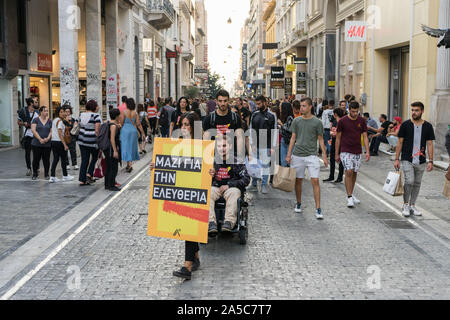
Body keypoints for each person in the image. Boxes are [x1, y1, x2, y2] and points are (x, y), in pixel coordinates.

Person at [150, 112, 202, 281]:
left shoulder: (202, 144)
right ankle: (195, 256)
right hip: (183, 189)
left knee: (189, 226)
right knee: (188, 225)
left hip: (196, 189)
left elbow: (209, 164)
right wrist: (156, 165)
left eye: (187, 125)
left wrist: (211, 171)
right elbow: (169, 162)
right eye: (183, 124)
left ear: (194, 127)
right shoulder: (176, 143)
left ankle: (187, 265)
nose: (184, 128)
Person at [286, 97, 328, 219]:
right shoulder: (296, 121)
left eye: (304, 106)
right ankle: (299, 203)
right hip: (297, 155)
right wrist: (289, 154)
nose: (301, 108)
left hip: (312, 156)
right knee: (298, 180)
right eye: (301, 106)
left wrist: (324, 156)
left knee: (315, 180)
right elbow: (293, 138)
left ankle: (318, 208)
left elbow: (321, 139)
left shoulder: (317, 122)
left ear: (310, 107)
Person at [394, 102, 435, 217]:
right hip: (407, 158)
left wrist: (431, 161)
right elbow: (400, 142)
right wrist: (397, 159)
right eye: (412, 110)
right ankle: (405, 204)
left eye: (416, 110)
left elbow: (430, 144)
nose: (414, 112)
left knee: (417, 183)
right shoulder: (405, 125)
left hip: (421, 160)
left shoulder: (428, 126)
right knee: (409, 181)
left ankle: (412, 205)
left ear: (422, 111)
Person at [335, 101, 370, 208]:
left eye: (357, 111)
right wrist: (336, 153)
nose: (355, 114)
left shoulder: (361, 121)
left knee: (354, 172)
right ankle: (349, 196)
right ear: (349, 110)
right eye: (353, 111)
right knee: (349, 171)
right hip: (345, 150)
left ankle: (351, 192)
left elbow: (365, 136)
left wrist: (367, 151)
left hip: (357, 150)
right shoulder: (342, 121)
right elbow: (338, 138)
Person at [202, 90, 244, 161]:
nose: (223, 103)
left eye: (225, 101)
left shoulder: (235, 117)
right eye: (220, 101)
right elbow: (206, 139)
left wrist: (240, 156)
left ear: (229, 101)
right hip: (214, 158)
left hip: (232, 157)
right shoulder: (209, 118)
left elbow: (239, 138)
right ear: (216, 101)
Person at [248, 95, 277, 194]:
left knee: (265, 166)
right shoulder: (254, 114)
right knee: (255, 165)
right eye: (256, 104)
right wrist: (252, 144)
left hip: (267, 145)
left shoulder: (272, 115)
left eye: (259, 104)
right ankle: (254, 184)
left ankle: (264, 184)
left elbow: (275, 131)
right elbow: (251, 129)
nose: (258, 106)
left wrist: (273, 147)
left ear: (265, 103)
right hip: (256, 145)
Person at [78, 100, 102, 186]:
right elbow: (97, 131)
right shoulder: (96, 116)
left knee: (84, 160)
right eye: (97, 105)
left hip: (82, 140)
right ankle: (89, 174)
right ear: (94, 107)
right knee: (95, 157)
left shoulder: (81, 115)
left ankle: (82, 179)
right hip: (92, 141)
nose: (98, 107)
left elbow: (79, 126)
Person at [119, 98, 146, 173]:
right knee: (131, 147)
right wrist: (143, 133)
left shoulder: (124, 112)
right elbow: (138, 124)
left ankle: (129, 164)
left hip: (125, 131)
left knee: (126, 147)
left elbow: (121, 123)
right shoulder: (135, 113)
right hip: (133, 131)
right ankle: (129, 164)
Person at [49, 106, 74, 183]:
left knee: (56, 159)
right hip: (59, 142)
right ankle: (65, 176)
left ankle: (52, 176)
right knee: (63, 159)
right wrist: (64, 144)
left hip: (53, 141)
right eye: (61, 112)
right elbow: (60, 133)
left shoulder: (54, 120)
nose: (63, 113)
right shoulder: (60, 121)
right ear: (58, 113)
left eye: (63, 112)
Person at [18, 97, 40, 176]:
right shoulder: (23, 112)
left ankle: (36, 168)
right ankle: (29, 168)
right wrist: (24, 124)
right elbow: (19, 122)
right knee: (27, 153)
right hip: (28, 135)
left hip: (36, 135)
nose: (37, 103)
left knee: (36, 153)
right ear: (31, 103)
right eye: (35, 102)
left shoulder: (38, 112)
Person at [30, 106, 52, 180]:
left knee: (46, 160)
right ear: (41, 112)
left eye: (47, 111)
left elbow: (51, 131)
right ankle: (35, 173)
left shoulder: (49, 121)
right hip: (36, 143)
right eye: (45, 111)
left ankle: (46, 174)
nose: (47, 112)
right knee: (36, 159)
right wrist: (40, 139)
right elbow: (33, 130)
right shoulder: (35, 120)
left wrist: (48, 138)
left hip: (47, 144)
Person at [324, 108, 345, 183]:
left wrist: (333, 133)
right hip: (333, 141)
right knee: (332, 159)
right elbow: (331, 129)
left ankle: (339, 177)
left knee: (340, 159)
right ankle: (332, 176)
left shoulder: (341, 122)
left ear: (335, 114)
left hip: (339, 142)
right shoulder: (334, 121)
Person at [104, 109, 121, 192]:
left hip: (108, 149)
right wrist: (115, 151)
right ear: (117, 116)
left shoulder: (110, 123)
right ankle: (111, 185)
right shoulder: (113, 126)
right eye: (119, 115)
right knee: (113, 167)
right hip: (111, 149)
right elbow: (112, 139)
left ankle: (107, 184)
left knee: (108, 167)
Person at [63, 105, 79, 170]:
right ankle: (66, 164)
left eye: (68, 111)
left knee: (73, 151)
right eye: (66, 111)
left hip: (72, 137)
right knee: (65, 151)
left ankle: (74, 164)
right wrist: (66, 121)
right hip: (65, 137)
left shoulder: (73, 120)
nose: (67, 113)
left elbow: (74, 128)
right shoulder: (62, 120)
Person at [279, 101, 294, 167]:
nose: (280, 109)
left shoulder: (290, 118)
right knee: (283, 161)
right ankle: (285, 176)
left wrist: (281, 124)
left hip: (289, 140)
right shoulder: (284, 117)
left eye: (281, 107)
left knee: (289, 161)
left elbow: (289, 129)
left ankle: (290, 176)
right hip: (284, 139)